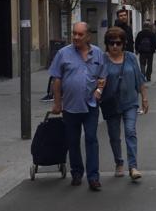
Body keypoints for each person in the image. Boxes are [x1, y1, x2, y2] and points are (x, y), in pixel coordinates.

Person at [50, 22, 107, 190]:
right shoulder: (63, 53)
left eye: (80, 34)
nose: (76, 37)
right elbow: (57, 78)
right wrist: (57, 102)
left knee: (91, 139)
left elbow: (103, 77)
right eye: (74, 33)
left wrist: (99, 90)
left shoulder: (97, 53)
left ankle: (93, 177)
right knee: (73, 141)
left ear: (88, 36)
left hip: (90, 106)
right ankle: (76, 172)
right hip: (70, 107)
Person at [101, 27, 148, 181]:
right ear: (107, 44)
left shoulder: (130, 58)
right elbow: (97, 81)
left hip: (130, 102)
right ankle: (119, 162)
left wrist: (145, 98)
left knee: (130, 131)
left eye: (118, 43)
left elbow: (139, 78)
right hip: (111, 104)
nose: (115, 46)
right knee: (114, 136)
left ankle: (133, 166)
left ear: (124, 44)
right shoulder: (103, 60)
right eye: (111, 43)